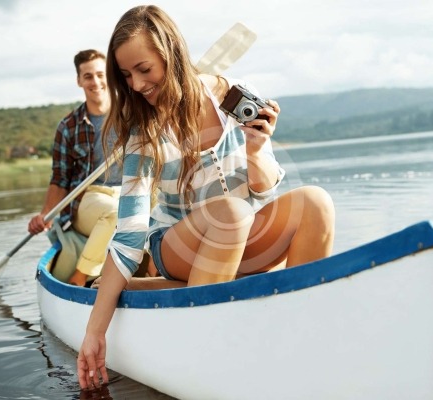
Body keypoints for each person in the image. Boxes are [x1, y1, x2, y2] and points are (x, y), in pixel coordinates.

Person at [77, 5, 335, 390]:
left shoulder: (231, 98)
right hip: (179, 245)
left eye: (144, 70)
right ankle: (201, 353)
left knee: (314, 202)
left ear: (172, 54)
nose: (136, 85)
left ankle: (301, 335)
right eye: (127, 76)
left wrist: (256, 149)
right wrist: (95, 331)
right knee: (229, 214)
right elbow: (129, 236)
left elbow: (266, 189)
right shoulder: (142, 134)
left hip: (240, 236)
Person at [28, 49, 123, 287]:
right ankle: (80, 276)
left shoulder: (130, 114)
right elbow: (60, 178)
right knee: (113, 212)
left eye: (101, 74)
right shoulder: (68, 126)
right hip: (91, 199)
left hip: (129, 192)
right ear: (79, 81)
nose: (96, 82)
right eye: (88, 76)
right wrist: (45, 215)